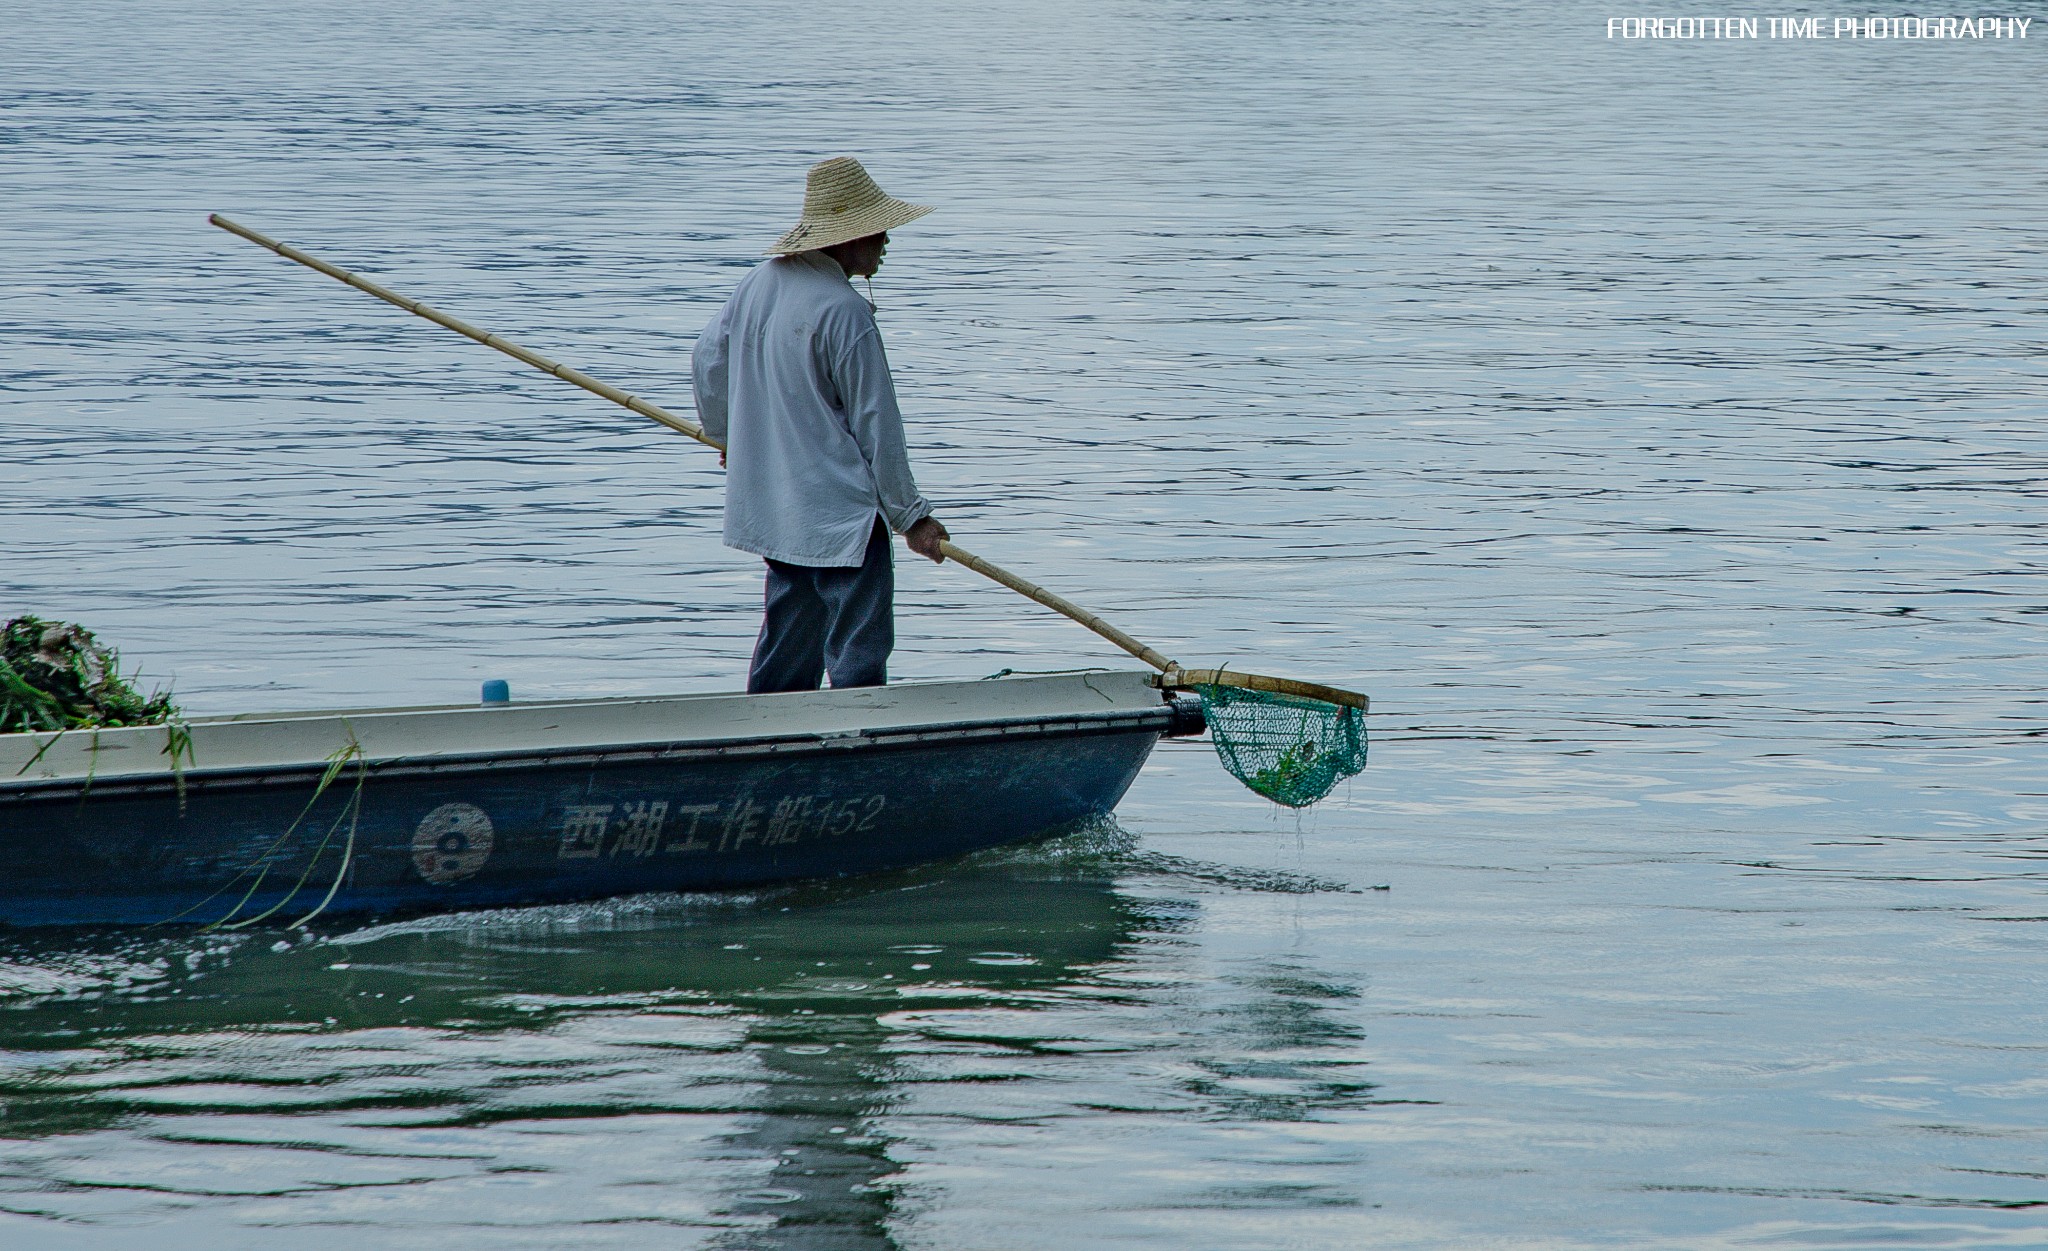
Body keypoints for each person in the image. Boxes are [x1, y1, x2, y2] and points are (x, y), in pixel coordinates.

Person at [692, 157, 949, 694]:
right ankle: (860, 735)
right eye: (878, 232)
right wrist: (912, 518)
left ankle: (765, 734)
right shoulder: (844, 312)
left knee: (788, 640)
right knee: (858, 649)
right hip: (841, 514)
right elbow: (878, 427)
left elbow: (708, 361)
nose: (885, 244)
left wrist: (726, 435)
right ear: (849, 239)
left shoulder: (759, 283)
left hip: (776, 503)